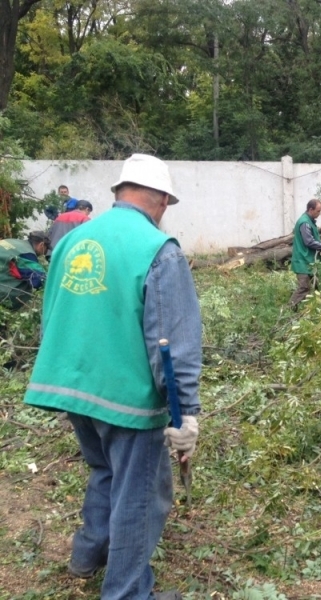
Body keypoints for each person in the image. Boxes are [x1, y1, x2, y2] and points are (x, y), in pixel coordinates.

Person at [24, 154, 202, 600]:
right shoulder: (159, 249)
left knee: (104, 469)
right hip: (126, 397)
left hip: (72, 385)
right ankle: (125, 592)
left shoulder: (73, 240)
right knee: (142, 496)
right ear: (161, 198)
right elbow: (172, 342)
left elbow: (53, 312)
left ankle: (88, 554)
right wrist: (185, 414)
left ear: (119, 193)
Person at [289, 198, 321, 308]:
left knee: (319, 284)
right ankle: (289, 309)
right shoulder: (305, 223)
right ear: (311, 209)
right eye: (318, 211)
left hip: (308, 260)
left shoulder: (309, 221)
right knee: (304, 288)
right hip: (302, 261)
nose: (320, 213)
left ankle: (320, 308)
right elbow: (309, 241)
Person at [0, 231, 48, 309]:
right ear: (41, 245)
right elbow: (40, 279)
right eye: (46, 249)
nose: (44, 254)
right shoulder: (27, 253)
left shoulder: (13, 241)